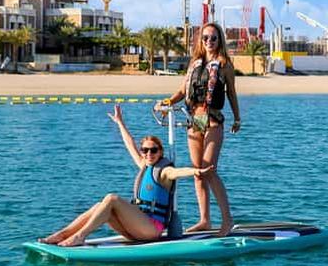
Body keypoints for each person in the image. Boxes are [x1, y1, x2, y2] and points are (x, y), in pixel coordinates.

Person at [39, 105, 213, 247]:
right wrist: (120, 123)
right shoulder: (144, 166)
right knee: (100, 206)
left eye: (153, 150)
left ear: (160, 152)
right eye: (145, 150)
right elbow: (130, 143)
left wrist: (197, 171)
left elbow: (178, 172)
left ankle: (80, 236)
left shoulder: (164, 172)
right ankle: (62, 234)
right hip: (136, 228)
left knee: (112, 199)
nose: (148, 154)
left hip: (152, 229)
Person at [158, 22, 240, 236]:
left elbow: (231, 93)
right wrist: (166, 102)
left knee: (209, 170)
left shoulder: (224, 65)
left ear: (219, 40)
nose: (209, 42)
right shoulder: (194, 63)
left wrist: (237, 118)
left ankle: (227, 220)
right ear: (200, 41)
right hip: (194, 120)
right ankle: (204, 220)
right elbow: (181, 90)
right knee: (197, 173)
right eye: (205, 38)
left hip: (213, 120)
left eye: (213, 38)